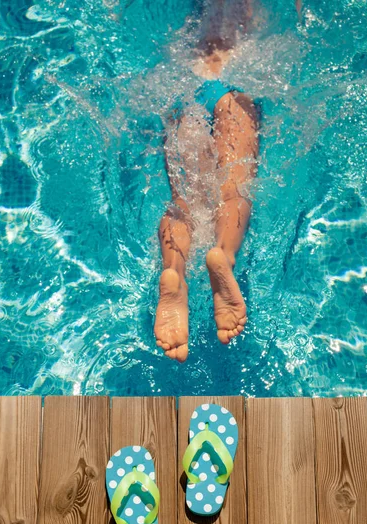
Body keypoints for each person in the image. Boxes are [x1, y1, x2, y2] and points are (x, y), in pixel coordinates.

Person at [154, 2, 259, 363]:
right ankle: (223, 255)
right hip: (237, 87)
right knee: (233, 188)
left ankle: (174, 271)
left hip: (187, 87)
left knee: (182, 204)